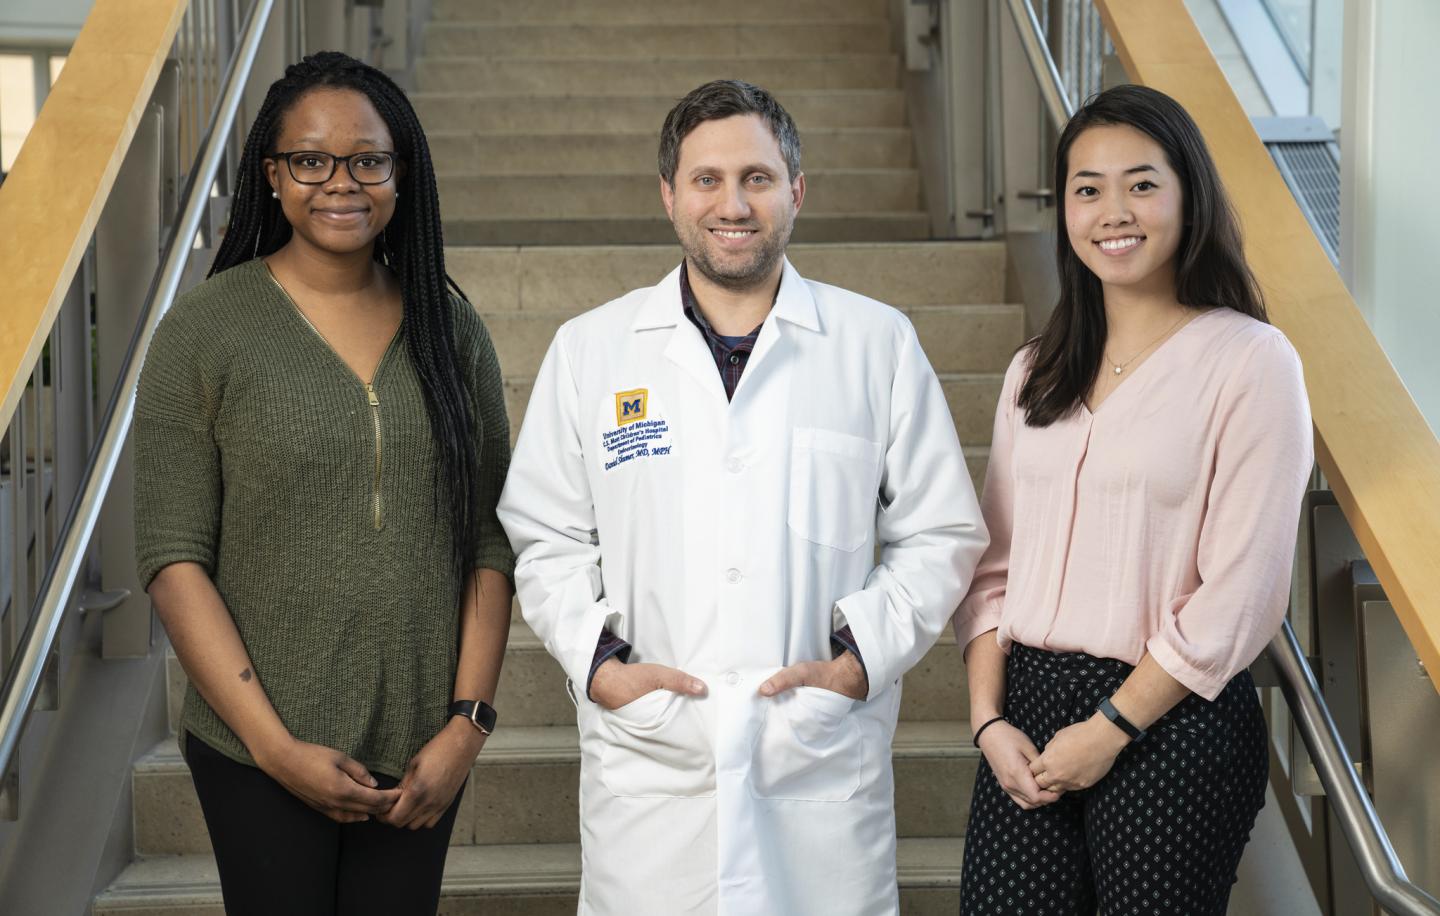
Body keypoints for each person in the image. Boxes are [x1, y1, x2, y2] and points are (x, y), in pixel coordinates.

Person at [497, 79, 988, 915]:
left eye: (758, 178)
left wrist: (859, 657)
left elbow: (940, 531)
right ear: (669, 195)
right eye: (707, 179)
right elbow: (545, 536)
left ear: (796, 193)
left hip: (814, 751)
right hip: (653, 761)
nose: (734, 203)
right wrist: (601, 665)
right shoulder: (592, 350)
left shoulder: (875, 344)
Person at [133, 52, 513, 916]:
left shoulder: (450, 328)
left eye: (367, 160)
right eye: (310, 160)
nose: (340, 182)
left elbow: (490, 539)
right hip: (256, 747)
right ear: (272, 176)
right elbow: (172, 557)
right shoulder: (204, 328)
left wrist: (468, 725)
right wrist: (274, 749)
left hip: (421, 752)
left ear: (400, 174)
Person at [953, 84, 1313, 915]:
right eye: (1088, 189)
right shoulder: (1033, 369)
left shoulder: (1251, 362)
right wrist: (985, 720)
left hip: (1170, 722)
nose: (1114, 210)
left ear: (1189, 195)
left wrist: (1113, 725)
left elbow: (1244, 592)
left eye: (1142, 184)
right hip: (1026, 714)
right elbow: (993, 570)